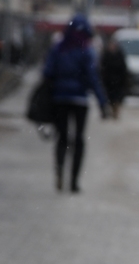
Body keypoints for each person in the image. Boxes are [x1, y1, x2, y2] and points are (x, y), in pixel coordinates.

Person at [43, 15, 108, 192]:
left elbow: (47, 72)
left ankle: (59, 170)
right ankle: (73, 182)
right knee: (78, 140)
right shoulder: (86, 52)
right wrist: (102, 102)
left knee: (62, 138)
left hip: (60, 99)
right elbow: (93, 78)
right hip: (80, 100)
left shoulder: (58, 49)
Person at [99, 36, 130, 119]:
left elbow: (123, 69)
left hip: (118, 81)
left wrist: (124, 80)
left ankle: (115, 112)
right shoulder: (106, 55)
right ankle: (109, 111)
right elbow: (102, 68)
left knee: (117, 98)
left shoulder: (120, 55)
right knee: (109, 97)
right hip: (108, 81)